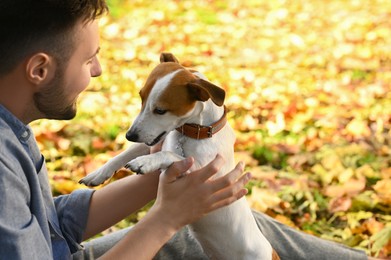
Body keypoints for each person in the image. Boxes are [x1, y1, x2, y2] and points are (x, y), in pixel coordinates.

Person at [0, 1, 373, 259]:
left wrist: (175, 177)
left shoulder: (14, 129)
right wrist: (166, 219)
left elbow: (52, 225)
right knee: (197, 235)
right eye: (88, 58)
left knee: (236, 217)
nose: (97, 71)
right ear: (39, 70)